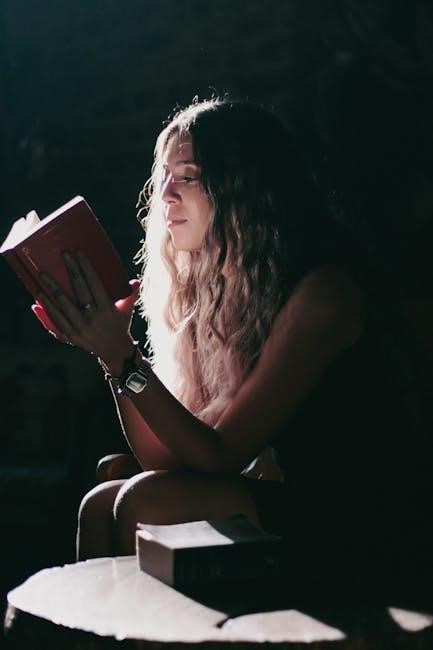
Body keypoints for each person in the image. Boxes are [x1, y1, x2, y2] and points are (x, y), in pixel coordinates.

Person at [34, 98, 432, 593]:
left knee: (142, 501)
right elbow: (166, 458)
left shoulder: (323, 292)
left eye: (189, 176)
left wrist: (123, 356)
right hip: (282, 499)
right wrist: (112, 353)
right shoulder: (225, 295)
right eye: (164, 176)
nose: (165, 194)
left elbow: (219, 454)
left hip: (360, 518)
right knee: (101, 500)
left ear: (245, 190)